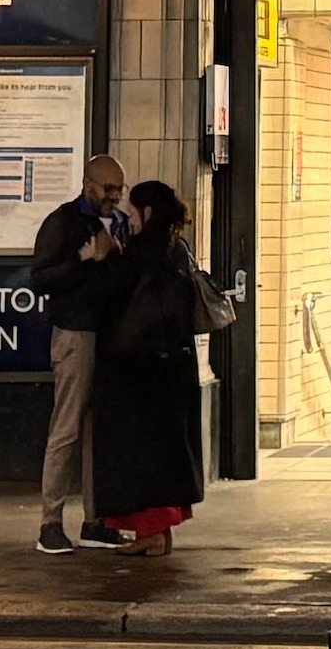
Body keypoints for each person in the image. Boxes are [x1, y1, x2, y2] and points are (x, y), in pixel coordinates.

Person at [66, 180, 225, 546]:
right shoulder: (177, 250)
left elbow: (103, 294)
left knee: (137, 454)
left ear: (147, 213)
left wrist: (93, 259)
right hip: (172, 368)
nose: (130, 220)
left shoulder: (138, 255)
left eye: (133, 213)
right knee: (163, 453)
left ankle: (150, 535)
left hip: (135, 370)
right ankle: (158, 534)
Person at [27, 152, 133, 553]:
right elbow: (40, 278)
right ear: (88, 185)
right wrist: (83, 259)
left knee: (98, 432)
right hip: (75, 335)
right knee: (67, 428)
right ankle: (50, 523)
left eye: (119, 190)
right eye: (108, 189)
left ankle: (96, 521)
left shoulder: (120, 224)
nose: (115, 196)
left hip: (109, 337)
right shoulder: (63, 222)